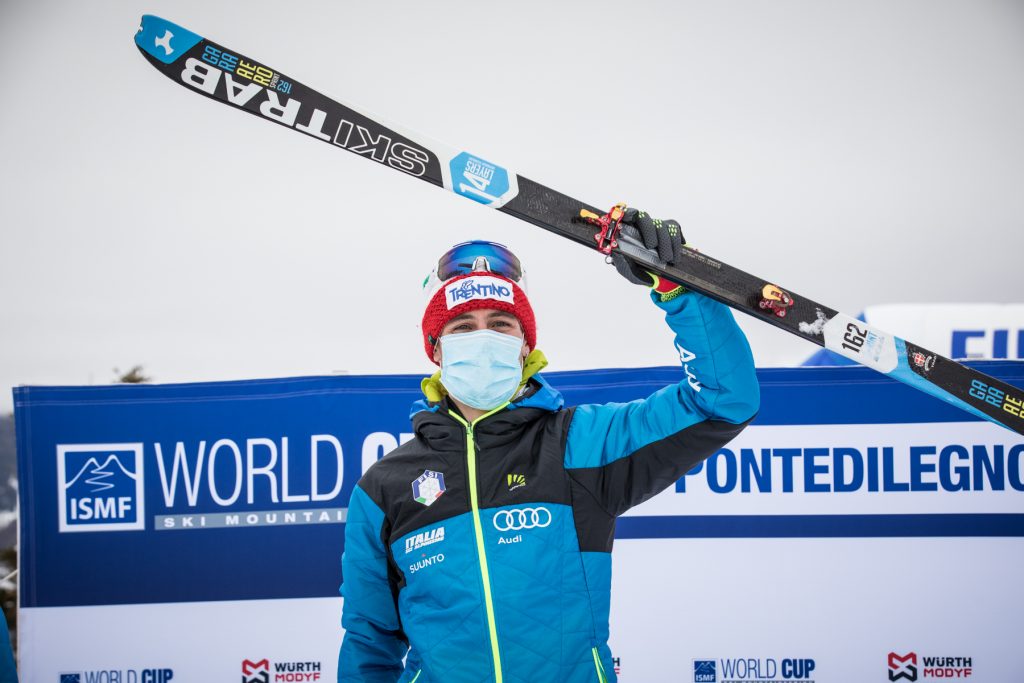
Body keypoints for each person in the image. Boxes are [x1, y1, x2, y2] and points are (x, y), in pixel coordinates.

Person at [338, 209, 759, 682]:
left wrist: (682, 289)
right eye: (463, 327)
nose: (483, 338)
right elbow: (369, 639)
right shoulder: (383, 487)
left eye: (501, 324)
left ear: (524, 344)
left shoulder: (580, 444)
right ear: (436, 348)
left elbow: (722, 401)